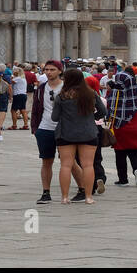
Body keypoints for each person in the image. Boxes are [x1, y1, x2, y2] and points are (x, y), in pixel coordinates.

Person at [51, 69, 106, 204]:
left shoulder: (61, 96)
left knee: (66, 165)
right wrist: (91, 117)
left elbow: (54, 117)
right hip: (88, 132)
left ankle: (64, 197)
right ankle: (88, 197)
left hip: (66, 133)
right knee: (88, 165)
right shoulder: (91, 94)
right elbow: (103, 111)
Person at [106, 67, 137, 187]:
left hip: (119, 128)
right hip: (136, 128)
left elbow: (108, 111)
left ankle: (123, 180)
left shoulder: (113, 94)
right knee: (135, 154)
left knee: (120, 155)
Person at [30, 60, 64, 205]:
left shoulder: (67, 88)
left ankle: (83, 189)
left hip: (64, 129)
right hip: (45, 128)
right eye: (47, 70)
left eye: (52, 69)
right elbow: (35, 108)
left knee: (69, 162)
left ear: (60, 71)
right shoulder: (41, 88)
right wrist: (35, 129)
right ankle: (46, 192)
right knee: (46, 161)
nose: (49, 72)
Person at [9, 63, 30, 130]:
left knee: (13, 110)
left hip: (18, 95)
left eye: (15, 71)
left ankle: (14, 125)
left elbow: (10, 82)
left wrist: (11, 77)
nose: (14, 71)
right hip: (23, 95)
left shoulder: (18, 78)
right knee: (23, 110)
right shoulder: (23, 78)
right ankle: (26, 125)